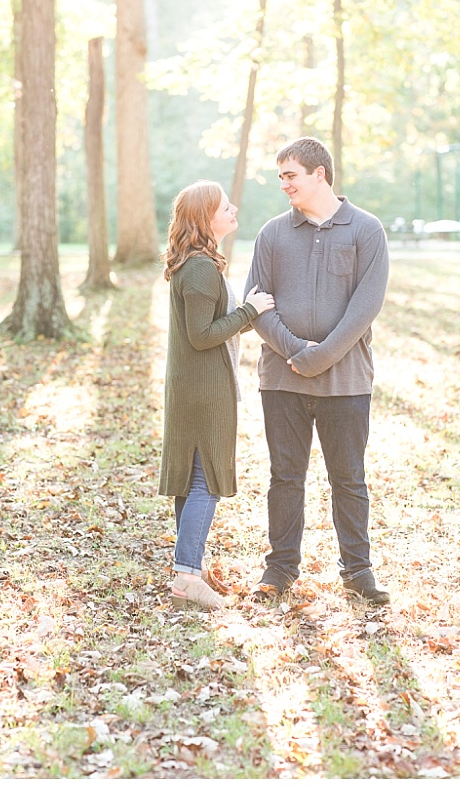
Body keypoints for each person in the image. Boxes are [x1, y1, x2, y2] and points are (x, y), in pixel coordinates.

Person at [244, 136, 390, 606]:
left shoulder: (366, 229)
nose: (283, 184)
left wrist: (320, 357)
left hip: (346, 382)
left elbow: (366, 307)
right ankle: (280, 568)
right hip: (282, 377)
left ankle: (358, 572)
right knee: (285, 477)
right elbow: (256, 302)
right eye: (281, 176)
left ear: (319, 173)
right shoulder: (271, 233)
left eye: (290, 175)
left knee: (348, 478)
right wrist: (295, 351)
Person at [158, 181, 274, 610]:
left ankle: (187, 570)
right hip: (205, 389)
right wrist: (250, 311)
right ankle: (186, 574)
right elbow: (202, 335)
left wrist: (247, 313)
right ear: (206, 217)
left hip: (191, 386)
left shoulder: (194, 264)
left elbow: (210, 327)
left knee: (190, 481)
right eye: (225, 206)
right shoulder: (202, 269)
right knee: (205, 478)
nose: (233, 208)